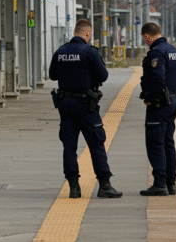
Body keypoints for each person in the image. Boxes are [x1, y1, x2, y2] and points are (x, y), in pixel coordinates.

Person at [49, 19, 123, 199]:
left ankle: (74, 187)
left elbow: (52, 75)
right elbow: (103, 76)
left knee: (69, 146)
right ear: (87, 33)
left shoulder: (60, 51)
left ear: (75, 32)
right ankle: (104, 185)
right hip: (85, 105)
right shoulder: (89, 52)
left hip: (65, 104)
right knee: (96, 143)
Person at [139, 22, 176, 196]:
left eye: (144, 39)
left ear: (147, 36)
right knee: (168, 142)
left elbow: (158, 78)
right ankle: (171, 183)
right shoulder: (173, 51)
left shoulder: (157, 52)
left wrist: (149, 99)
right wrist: (175, 92)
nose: (145, 42)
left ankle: (159, 183)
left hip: (159, 104)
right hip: (172, 100)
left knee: (155, 143)